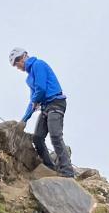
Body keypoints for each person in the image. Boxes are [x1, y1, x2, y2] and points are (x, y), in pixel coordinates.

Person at [9, 48, 75, 178]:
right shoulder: (29, 79)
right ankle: (50, 167)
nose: (18, 66)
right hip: (45, 107)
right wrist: (24, 119)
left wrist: (35, 100)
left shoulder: (38, 65)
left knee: (55, 135)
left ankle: (67, 171)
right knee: (37, 138)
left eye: (17, 62)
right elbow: (33, 100)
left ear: (24, 56)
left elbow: (41, 89)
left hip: (56, 102)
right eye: (15, 65)